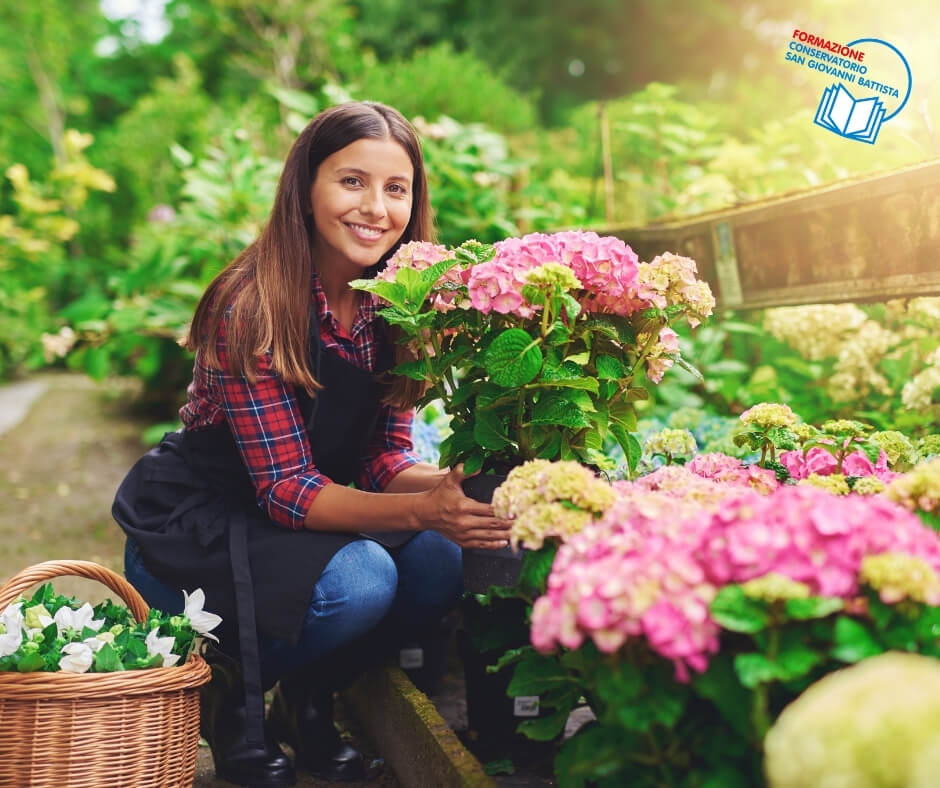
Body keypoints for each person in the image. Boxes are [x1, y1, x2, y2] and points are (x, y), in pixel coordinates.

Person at [113, 101, 512, 787]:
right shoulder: (253, 306)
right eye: (351, 181)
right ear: (305, 188)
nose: (376, 209)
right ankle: (231, 695)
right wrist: (423, 512)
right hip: (201, 531)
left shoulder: (398, 304)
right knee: (363, 579)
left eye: (397, 188)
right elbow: (286, 488)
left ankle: (311, 697)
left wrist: (468, 489)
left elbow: (385, 462)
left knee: (448, 557)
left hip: (300, 523)